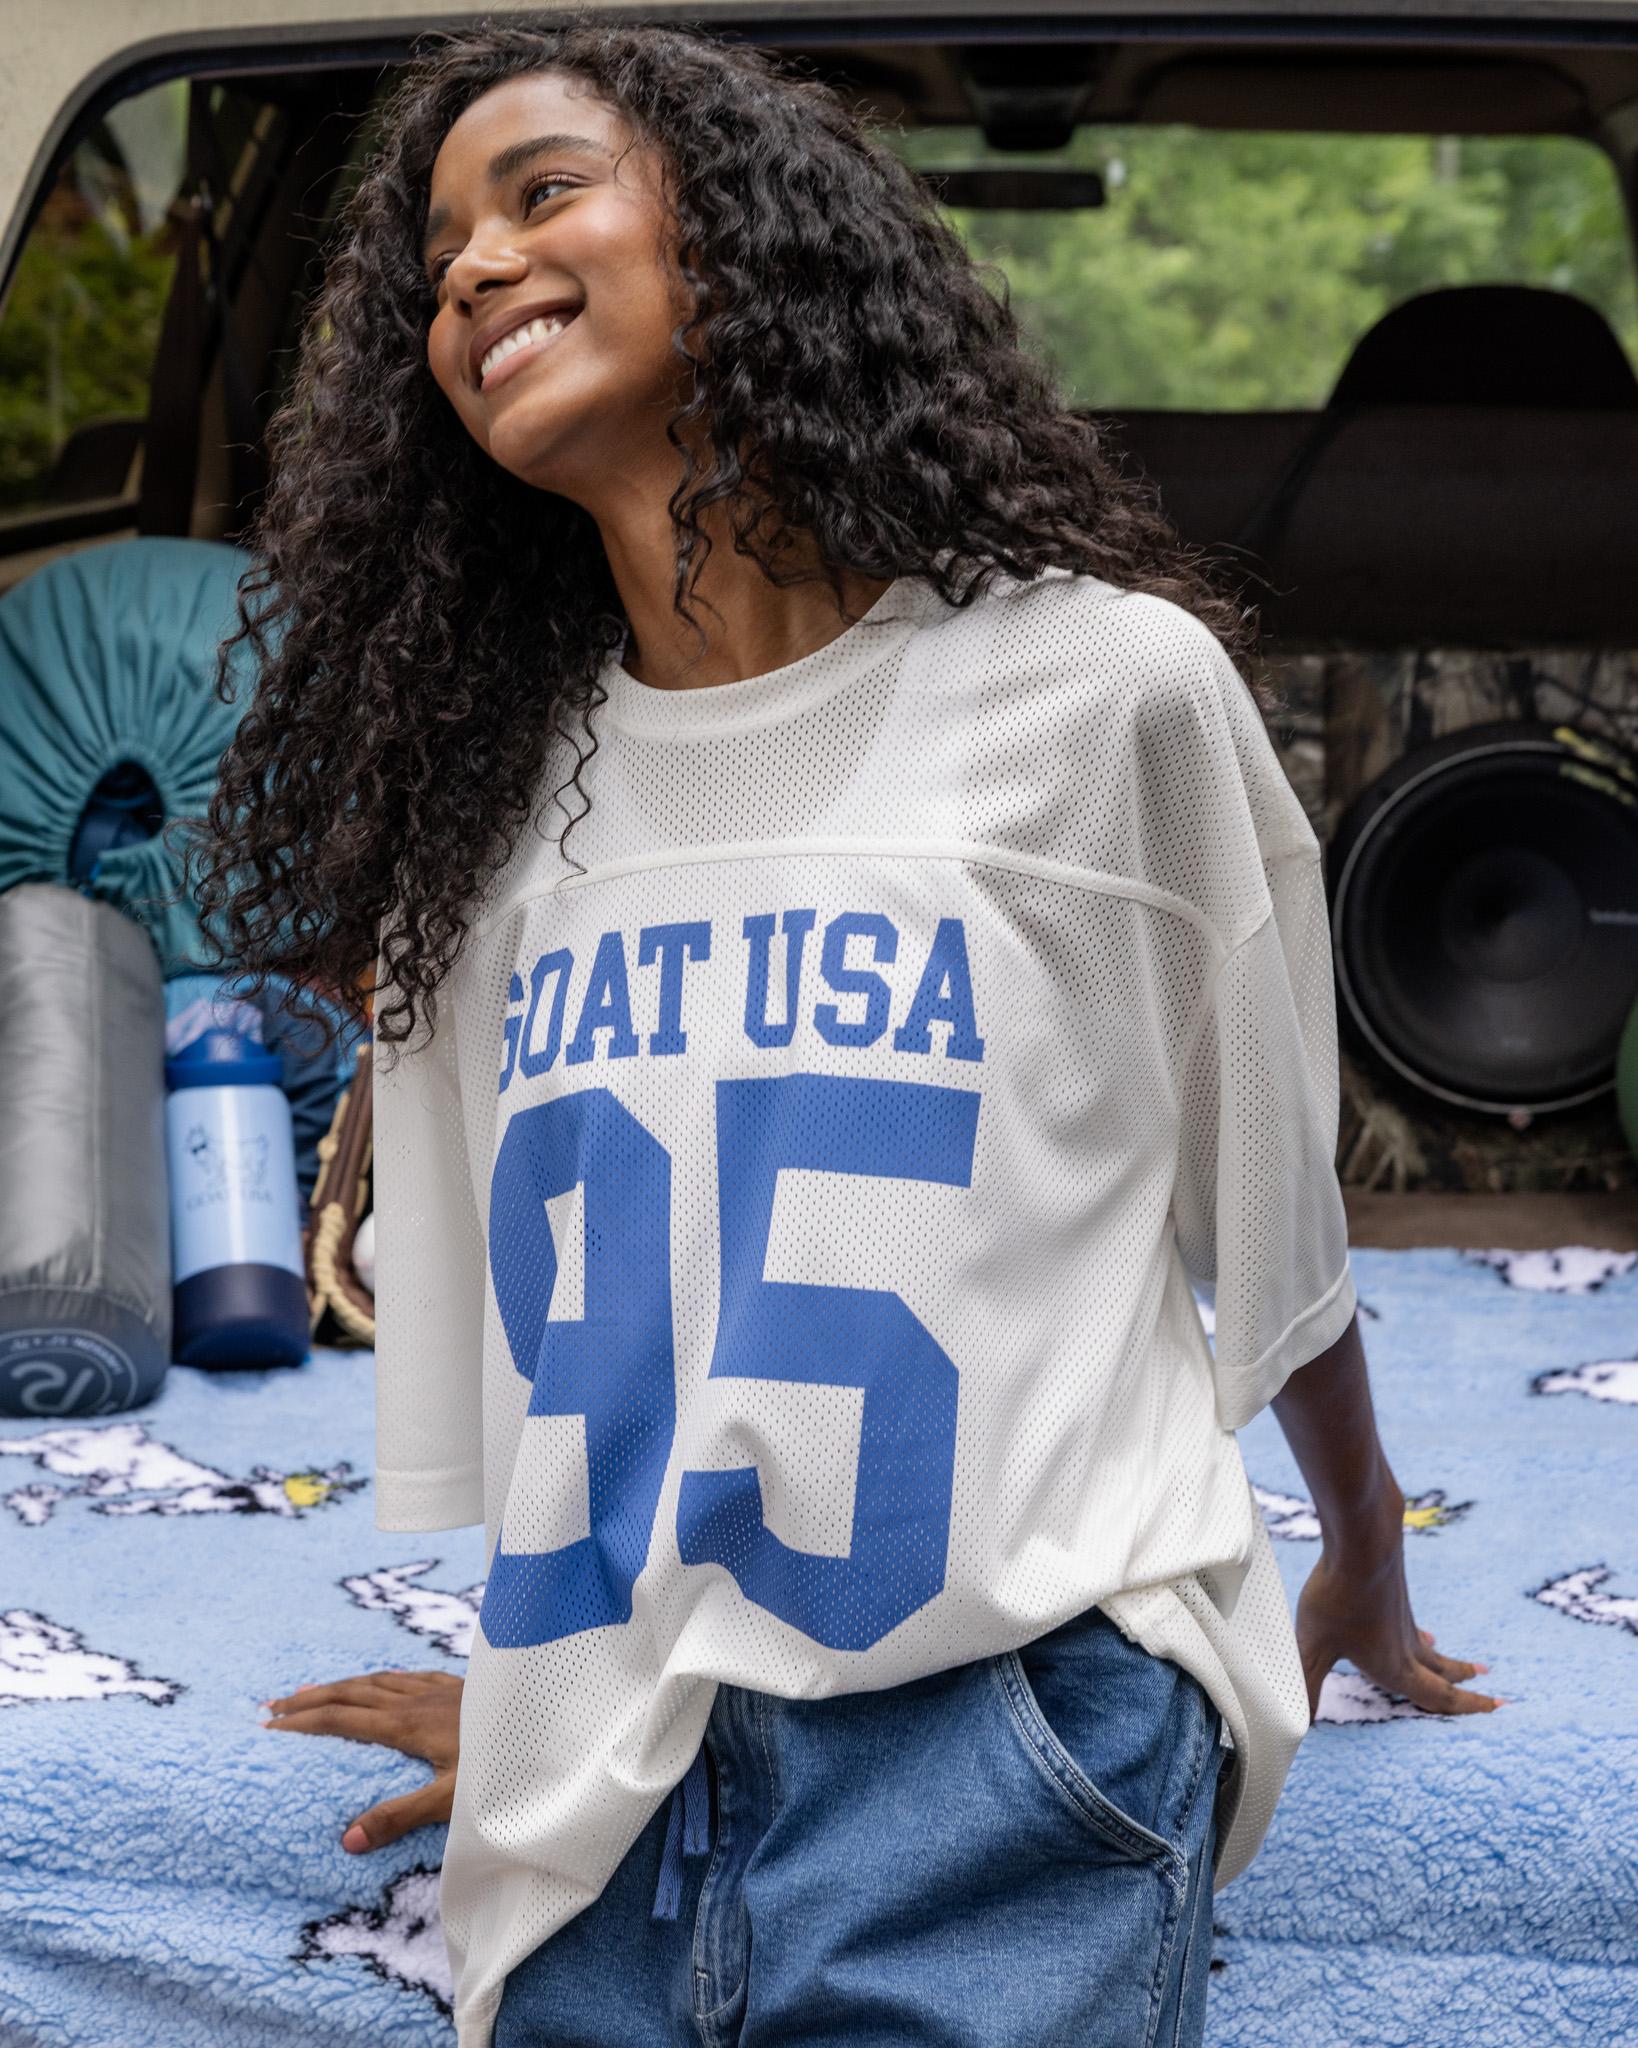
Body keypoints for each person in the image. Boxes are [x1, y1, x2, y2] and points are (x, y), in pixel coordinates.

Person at [202, 16, 1499, 2047]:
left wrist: (1361, 1556)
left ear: (744, 242)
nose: (467, 266)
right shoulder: (480, 821)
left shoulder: (1109, 695)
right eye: (433, 254)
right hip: (603, 1798)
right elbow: (581, 1396)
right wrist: (552, 1701)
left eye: (541, 192)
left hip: (1011, 1736)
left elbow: (1269, 1215)